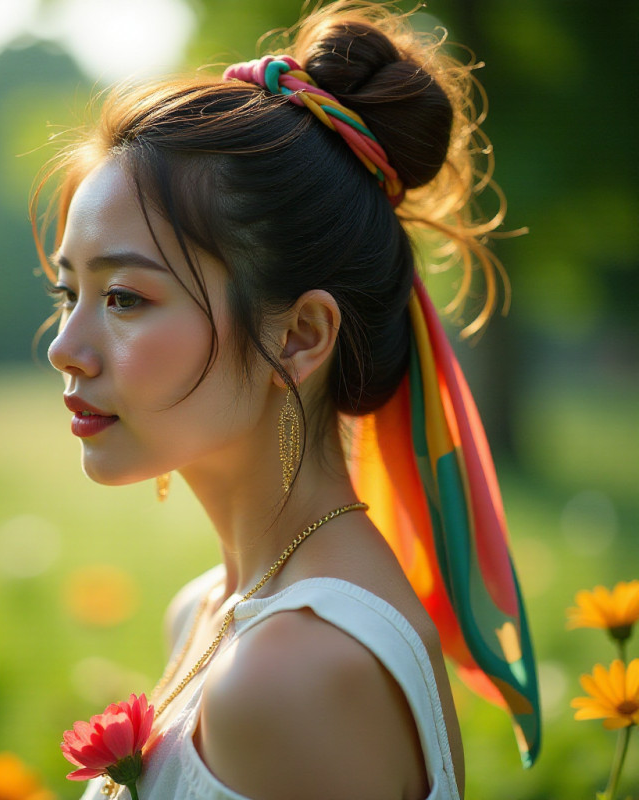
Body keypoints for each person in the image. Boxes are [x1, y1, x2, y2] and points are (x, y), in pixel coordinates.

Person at [34, 3, 540, 798]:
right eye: (70, 292)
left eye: (126, 297)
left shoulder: (294, 672)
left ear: (302, 336)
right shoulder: (211, 610)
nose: (67, 347)